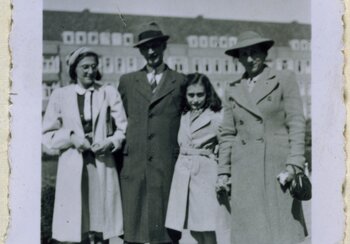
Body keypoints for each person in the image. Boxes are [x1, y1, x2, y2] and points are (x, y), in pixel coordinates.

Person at [217, 31, 308, 244]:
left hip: (276, 168)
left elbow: (296, 122)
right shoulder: (233, 89)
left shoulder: (284, 79)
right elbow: (228, 133)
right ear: (237, 58)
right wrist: (223, 171)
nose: (249, 59)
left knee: (279, 231)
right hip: (244, 170)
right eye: (244, 54)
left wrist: (295, 164)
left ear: (265, 53)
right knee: (248, 232)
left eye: (254, 53)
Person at [42, 47, 127, 243]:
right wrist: (71, 137)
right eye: (85, 67)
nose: (90, 71)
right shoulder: (60, 95)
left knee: (101, 222)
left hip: (101, 163)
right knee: (77, 221)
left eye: (93, 67)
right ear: (74, 69)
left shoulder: (107, 92)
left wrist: (110, 142)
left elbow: (123, 128)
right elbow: (47, 133)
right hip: (73, 165)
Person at [118, 22, 186, 244]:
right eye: (145, 48)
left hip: (167, 167)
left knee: (167, 233)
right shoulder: (127, 82)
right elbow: (117, 122)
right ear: (139, 51)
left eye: (155, 46)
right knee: (133, 231)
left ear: (163, 47)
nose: (151, 52)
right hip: (134, 166)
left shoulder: (180, 81)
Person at [165, 73, 224, 244]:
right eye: (191, 95)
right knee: (193, 229)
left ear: (208, 94)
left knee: (207, 226)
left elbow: (227, 144)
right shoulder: (183, 115)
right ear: (184, 95)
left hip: (205, 173)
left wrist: (223, 172)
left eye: (200, 95)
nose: (195, 100)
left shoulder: (215, 116)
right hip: (183, 175)